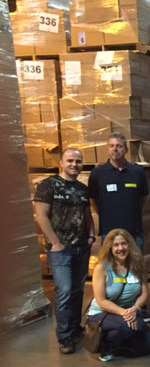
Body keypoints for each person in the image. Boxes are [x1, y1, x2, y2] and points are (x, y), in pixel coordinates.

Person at [34, 148, 95, 354]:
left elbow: (87, 213)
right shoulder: (48, 185)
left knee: (78, 290)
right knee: (65, 291)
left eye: (78, 161)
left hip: (81, 247)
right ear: (61, 162)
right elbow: (41, 216)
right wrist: (55, 243)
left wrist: (91, 235)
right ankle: (64, 337)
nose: (74, 165)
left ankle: (75, 328)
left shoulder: (82, 188)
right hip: (60, 250)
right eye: (70, 161)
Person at [88, 132, 150, 322]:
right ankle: (111, 307)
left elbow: (142, 199)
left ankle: (140, 308)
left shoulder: (137, 172)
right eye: (112, 146)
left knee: (136, 270)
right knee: (110, 272)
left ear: (125, 149)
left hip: (133, 232)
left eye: (119, 146)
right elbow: (93, 201)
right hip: (109, 233)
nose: (115, 149)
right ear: (108, 148)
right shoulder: (98, 174)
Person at [87, 229, 150, 362]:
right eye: (116, 245)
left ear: (129, 245)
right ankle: (107, 347)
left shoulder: (137, 265)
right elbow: (101, 301)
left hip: (128, 312)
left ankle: (121, 342)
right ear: (110, 248)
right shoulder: (102, 268)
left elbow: (144, 293)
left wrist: (135, 309)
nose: (121, 248)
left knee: (149, 345)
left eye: (124, 244)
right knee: (125, 326)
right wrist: (125, 313)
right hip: (101, 314)